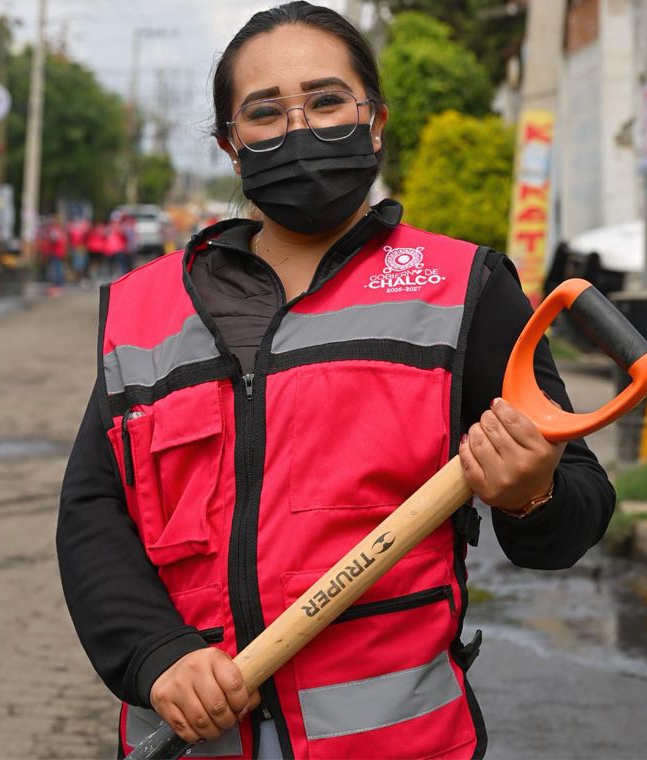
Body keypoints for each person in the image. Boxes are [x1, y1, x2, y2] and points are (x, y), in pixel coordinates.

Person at [57, 4, 615, 758]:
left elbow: (574, 512)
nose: (300, 129)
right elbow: (94, 509)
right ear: (231, 145)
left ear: (375, 121)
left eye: (326, 101)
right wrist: (154, 655)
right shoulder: (146, 309)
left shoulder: (464, 292)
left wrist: (532, 494)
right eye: (264, 113)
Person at [46, 214, 68, 294]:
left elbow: (55, 240)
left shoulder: (55, 230)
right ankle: (58, 284)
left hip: (56, 252)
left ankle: (57, 285)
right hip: (59, 252)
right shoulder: (61, 230)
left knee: (56, 270)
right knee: (58, 269)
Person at [68, 215, 92, 284]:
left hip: (81, 247)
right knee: (77, 263)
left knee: (82, 263)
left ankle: (82, 278)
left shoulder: (82, 227)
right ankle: (79, 278)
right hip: (75, 247)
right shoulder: (72, 227)